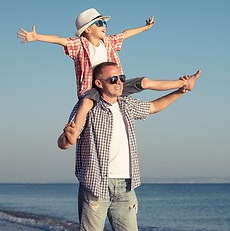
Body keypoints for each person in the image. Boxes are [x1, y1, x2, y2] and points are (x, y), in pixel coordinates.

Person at [17, 8, 200, 144]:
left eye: (104, 23)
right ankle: (74, 131)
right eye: (99, 23)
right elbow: (60, 40)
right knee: (87, 103)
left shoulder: (109, 42)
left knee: (144, 82)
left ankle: (184, 84)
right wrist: (37, 37)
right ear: (87, 29)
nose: (104, 25)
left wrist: (145, 28)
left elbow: (126, 34)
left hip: (115, 83)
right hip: (92, 88)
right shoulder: (79, 45)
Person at [57, 62, 201, 231]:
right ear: (99, 83)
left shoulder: (126, 104)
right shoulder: (89, 106)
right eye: (113, 79)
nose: (119, 82)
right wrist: (68, 139)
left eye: (122, 78)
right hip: (96, 185)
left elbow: (154, 107)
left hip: (126, 186)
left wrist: (179, 92)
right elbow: (63, 143)